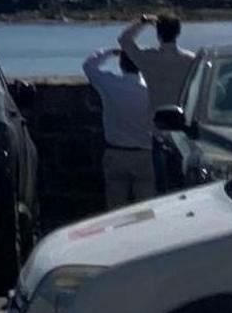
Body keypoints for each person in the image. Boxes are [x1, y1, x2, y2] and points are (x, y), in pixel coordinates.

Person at [82, 41, 155, 206]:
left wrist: (110, 51)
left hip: (116, 153)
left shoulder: (110, 83)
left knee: (115, 208)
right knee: (146, 208)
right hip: (145, 154)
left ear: (121, 65)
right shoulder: (150, 89)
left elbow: (88, 66)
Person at [117, 13, 201, 143]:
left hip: (157, 123)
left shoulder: (147, 58)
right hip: (184, 122)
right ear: (178, 33)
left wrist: (143, 21)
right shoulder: (192, 60)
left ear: (158, 34)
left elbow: (124, 40)